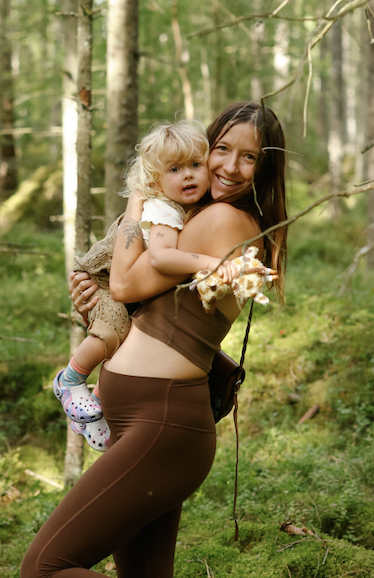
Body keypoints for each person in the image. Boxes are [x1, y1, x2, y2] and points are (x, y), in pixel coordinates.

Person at [20, 102, 288, 578]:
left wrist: (129, 236)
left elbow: (130, 282)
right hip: (152, 420)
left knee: (45, 570)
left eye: (250, 158)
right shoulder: (216, 215)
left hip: (163, 423)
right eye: (223, 149)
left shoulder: (220, 219)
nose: (230, 166)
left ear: (264, 170)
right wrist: (99, 300)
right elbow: (146, 307)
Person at [52, 120, 239, 452]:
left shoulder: (189, 207)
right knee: (111, 333)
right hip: (105, 277)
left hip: (123, 283)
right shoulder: (164, 210)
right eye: (175, 169)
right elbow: (161, 258)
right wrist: (210, 263)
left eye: (196, 165)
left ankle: (97, 406)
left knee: (126, 336)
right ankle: (70, 380)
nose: (188, 175)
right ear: (156, 179)